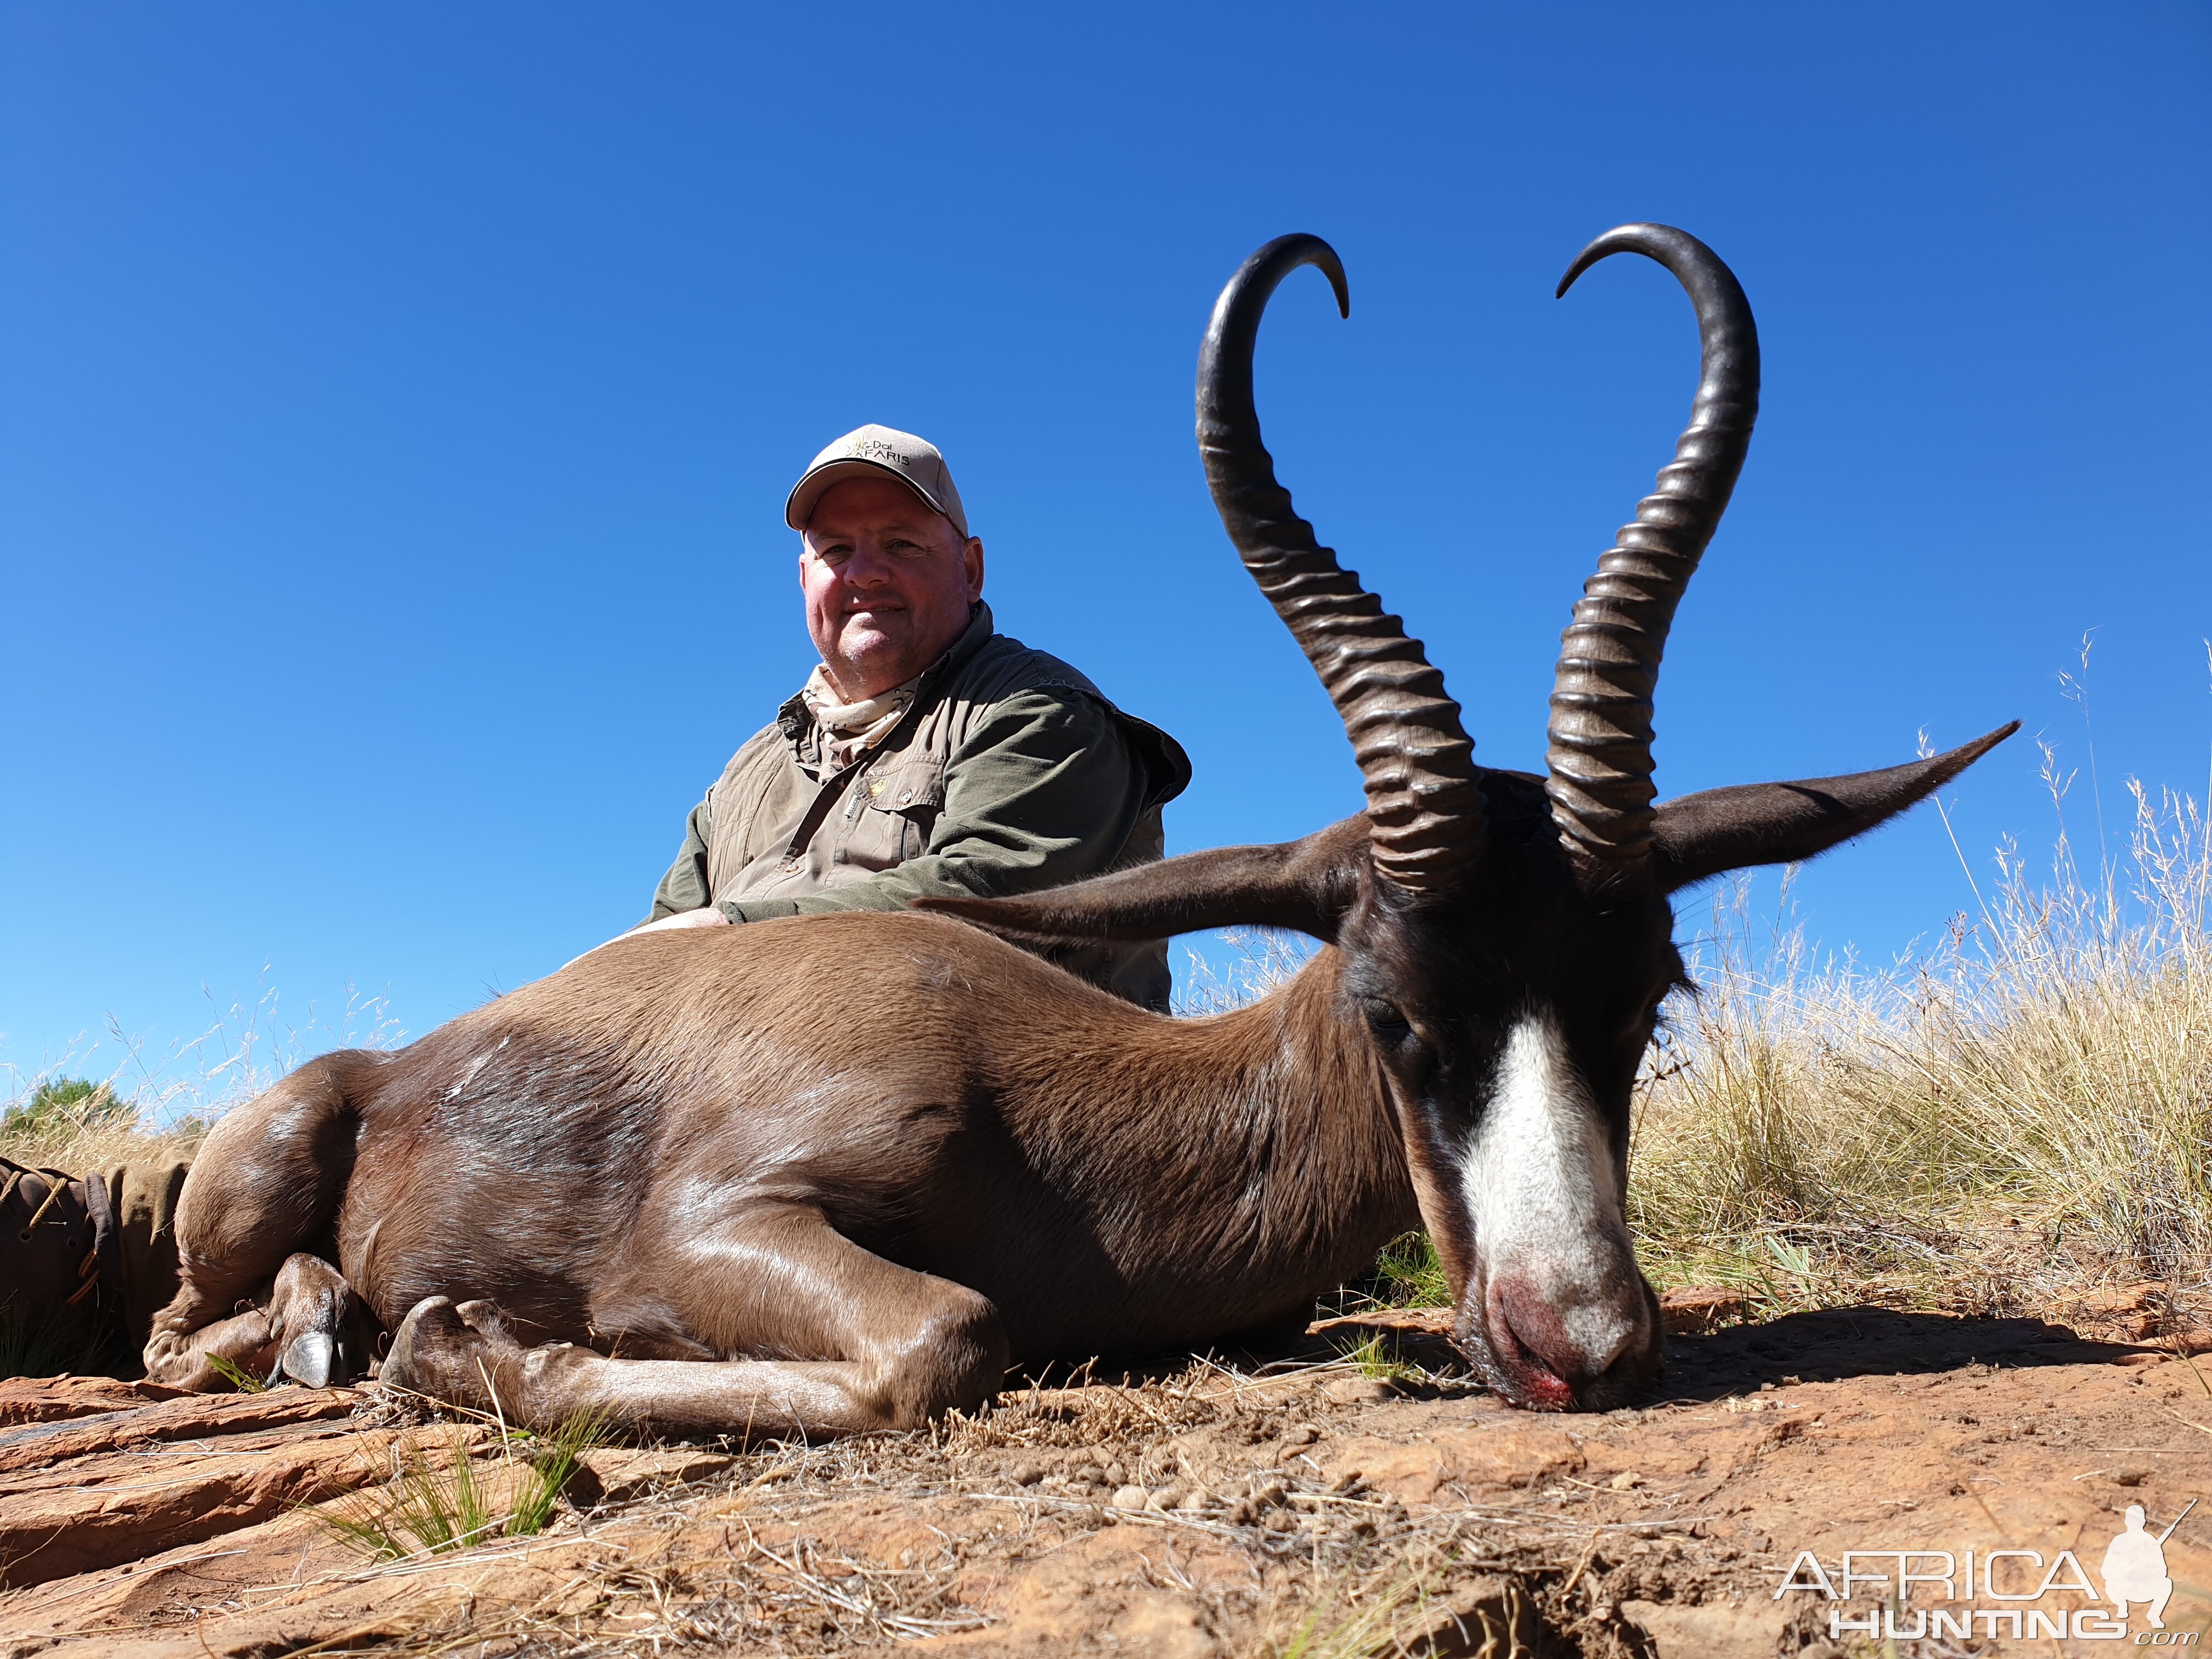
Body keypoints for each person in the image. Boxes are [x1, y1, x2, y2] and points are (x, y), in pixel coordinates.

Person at [638, 425, 1189, 1009]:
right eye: (836, 551)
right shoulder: (748, 770)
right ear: (805, 579)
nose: (866, 573)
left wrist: (731, 933)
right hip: (739, 1076)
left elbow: (982, 903)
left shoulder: (1041, 712)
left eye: (902, 545)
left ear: (971, 568)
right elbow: (655, 945)